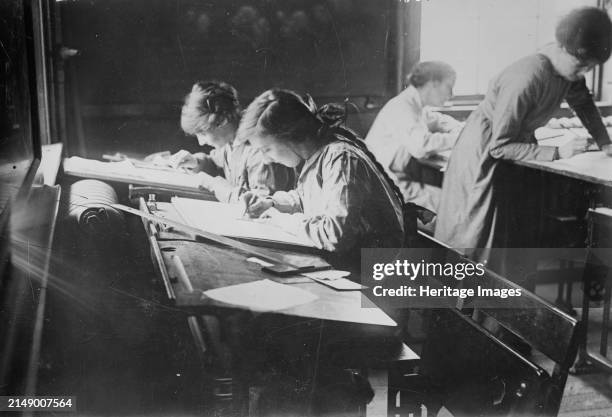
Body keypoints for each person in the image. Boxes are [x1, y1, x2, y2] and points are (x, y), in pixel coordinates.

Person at [434, 7, 612, 266]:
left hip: (512, 150)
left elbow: (583, 103)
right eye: (583, 65)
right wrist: (558, 152)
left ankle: (497, 298)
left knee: (509, 237)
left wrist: (605, 142)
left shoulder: (567, 71)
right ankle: (465, 300)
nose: (583, 73)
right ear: (562, 48)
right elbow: (500, 146)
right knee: (477, 234)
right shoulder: (526, 77)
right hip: (483, 155)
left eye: (591, 68)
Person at [236, 88, 407, 263]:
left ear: (290, 136)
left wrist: (282, 221)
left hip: (370, 269)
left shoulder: (341, 158)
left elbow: (336, 236)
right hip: (347, 260)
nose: (265, 160)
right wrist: (271, 203)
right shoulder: (316, 155)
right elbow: (308, 198)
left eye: (267, 149)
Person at [167, 81, 295, 202]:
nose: (201, 142)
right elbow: (215, 161)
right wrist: (196, 162)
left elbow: (261, 204)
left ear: (222, 120)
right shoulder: (231, 142)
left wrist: (214, 184)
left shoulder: (261, 151)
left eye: (203, 133)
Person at [367, 61, 463, 213]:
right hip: (385, 187)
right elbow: (421, 146)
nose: (451, 94)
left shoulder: (414, 105)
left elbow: (437, 120)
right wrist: (460, 138)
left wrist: (463, 129)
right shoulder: (402, 107)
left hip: (392, 180)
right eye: (449, 86)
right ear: (433, 84)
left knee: (452, 200)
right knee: (454, 206)